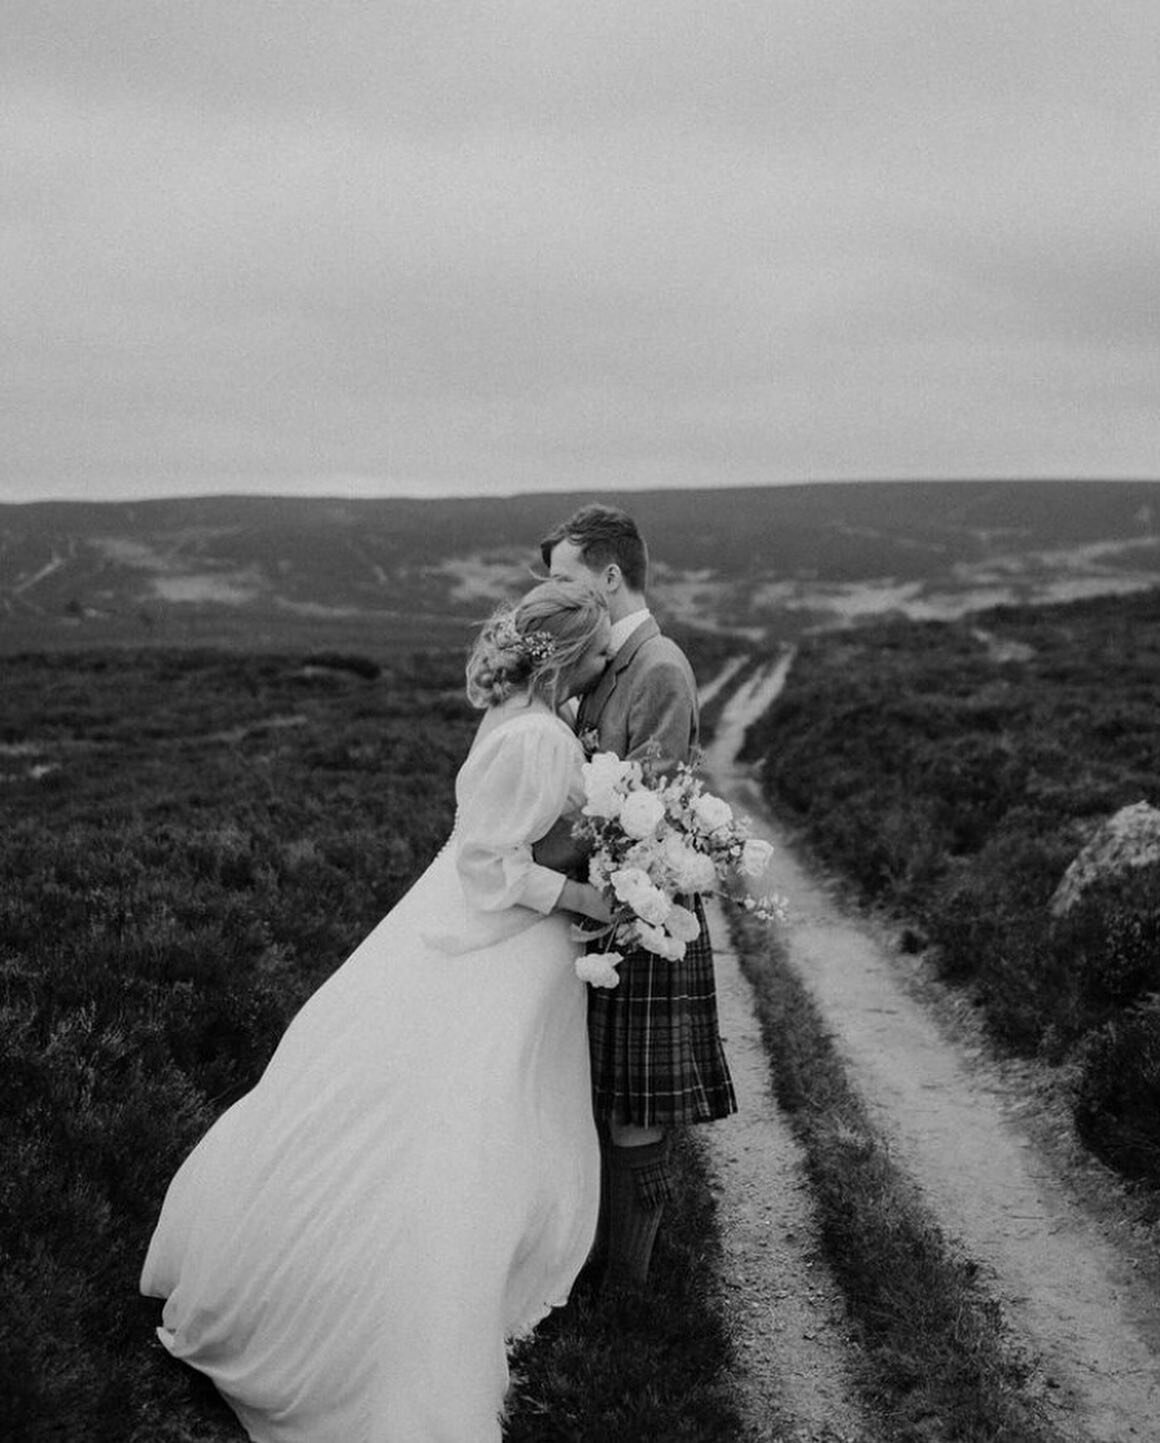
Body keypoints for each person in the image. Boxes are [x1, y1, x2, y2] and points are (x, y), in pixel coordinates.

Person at [140, 578, 614, 1443]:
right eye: (599, 644)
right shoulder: (541, 737)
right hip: (490, 945)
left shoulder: (514, 715)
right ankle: (398, 1325)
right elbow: (491, 869)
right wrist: (584, 899)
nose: (609, 655)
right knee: (464, 1122)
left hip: (451, 928)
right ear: (570, 656)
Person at [540, 503, 737, 1289]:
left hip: (640, 915)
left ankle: (632, 1290)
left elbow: (630, 811)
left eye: (564, 576)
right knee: (610, 1094)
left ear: (610, 576)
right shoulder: (601, 665)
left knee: (637, 1103)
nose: (551, 592)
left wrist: (530, 866)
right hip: (608, 911)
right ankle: (606, 1267)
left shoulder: (658, 667)